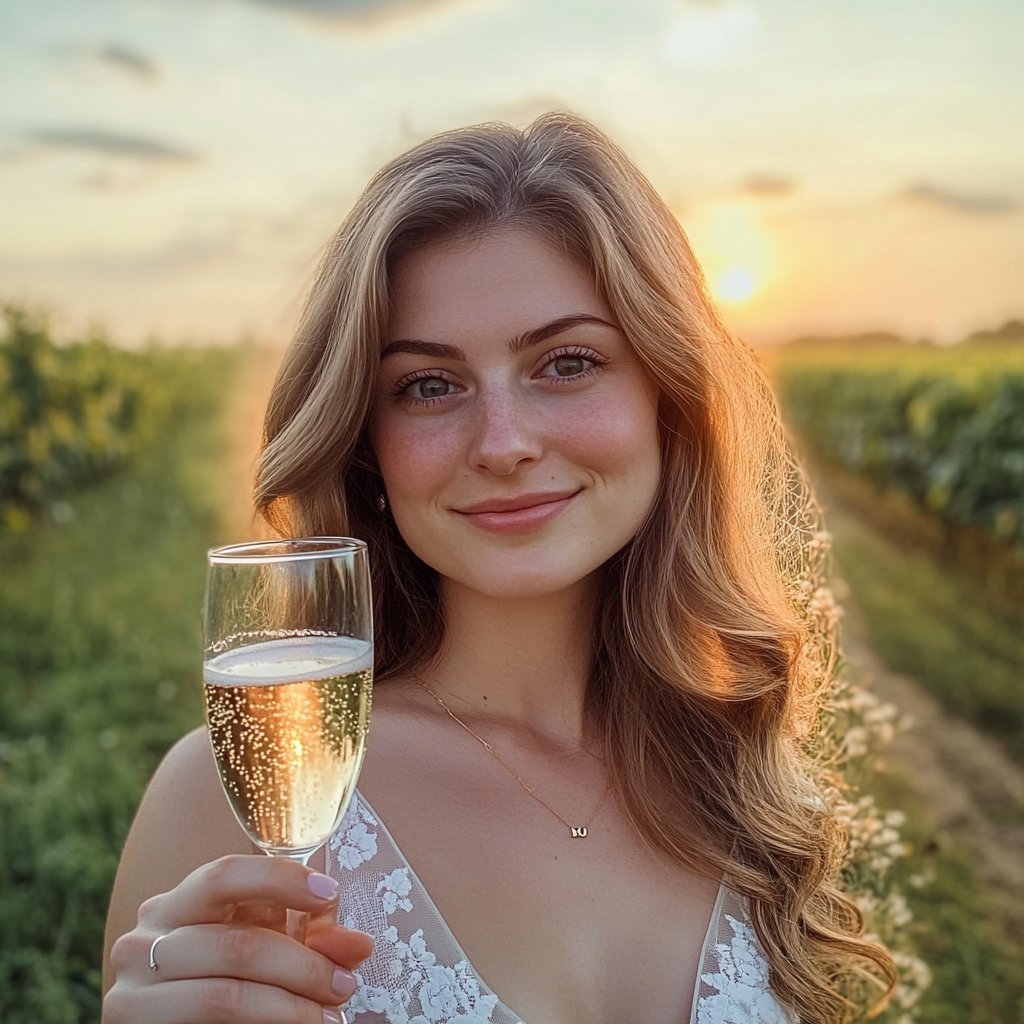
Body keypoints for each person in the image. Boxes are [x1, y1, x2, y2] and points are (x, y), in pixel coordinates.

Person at [103, 113, 895, 1024]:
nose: (504, 444)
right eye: (429, 386)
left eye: (567, 363)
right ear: (367, 441)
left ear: (666, 400)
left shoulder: (739, 770)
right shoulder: (224, 803)